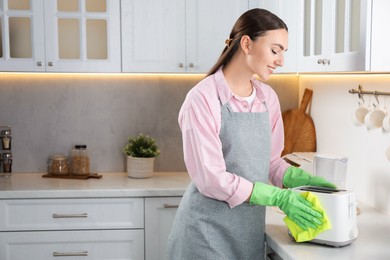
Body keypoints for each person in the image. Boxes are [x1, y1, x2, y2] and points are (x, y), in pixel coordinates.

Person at [166, 8, 335, 260]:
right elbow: (211, 178)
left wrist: (298, 179)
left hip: (247, 234)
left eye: (283, 53)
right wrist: (276, 196)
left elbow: (270, 162)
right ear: (246, 43)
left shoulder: (267, 98)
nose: (280, 61)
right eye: (275, 50)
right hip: (204, 235)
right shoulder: (202, 99)